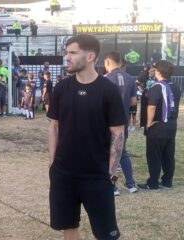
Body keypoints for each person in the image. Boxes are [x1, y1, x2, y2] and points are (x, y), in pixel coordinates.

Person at [48, 34, 125, 240]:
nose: (67, 57)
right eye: (66, 52)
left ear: (90, 56)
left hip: (97, 176)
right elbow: (54, 126)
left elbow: (118, 133)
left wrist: (111, 172)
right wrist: (53, 163)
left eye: (73, 52)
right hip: (63, 174)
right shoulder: (61, 88)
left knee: (106, 234)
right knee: (68, 227)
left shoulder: (108, 90)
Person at [138, 60, 181, 191]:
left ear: (159, 72)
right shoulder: (175, 86)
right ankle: (167, 181)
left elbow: (151, 106)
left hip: (158, 126)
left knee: (154, 155)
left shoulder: (157, 86)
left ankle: (153, 183)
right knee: (168, 155)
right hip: (171, 125)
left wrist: (149, 123)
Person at [104, 51, 138, 195]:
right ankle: (130, 184)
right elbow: (133, 102)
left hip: (106, 123)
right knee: (122, 152)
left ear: (107, 62)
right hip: (122, 122)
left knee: (107, 153)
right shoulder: (130, 78)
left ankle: (112, 186)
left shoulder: (105, 79)